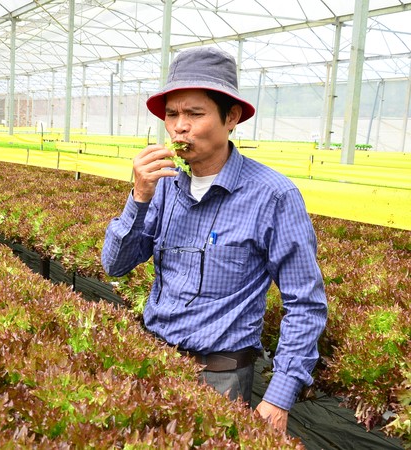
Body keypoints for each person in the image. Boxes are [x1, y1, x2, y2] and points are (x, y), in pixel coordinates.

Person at [101, 46, 327, 433]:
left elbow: (305, 303)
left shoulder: (273, 196)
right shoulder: (163, 186)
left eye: (194, 113)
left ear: (232, 117)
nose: (178, 127)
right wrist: (139, 197)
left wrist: (278, 395)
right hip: (153, 361)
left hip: (221, 378)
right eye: (171, 115)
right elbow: (115, 265)